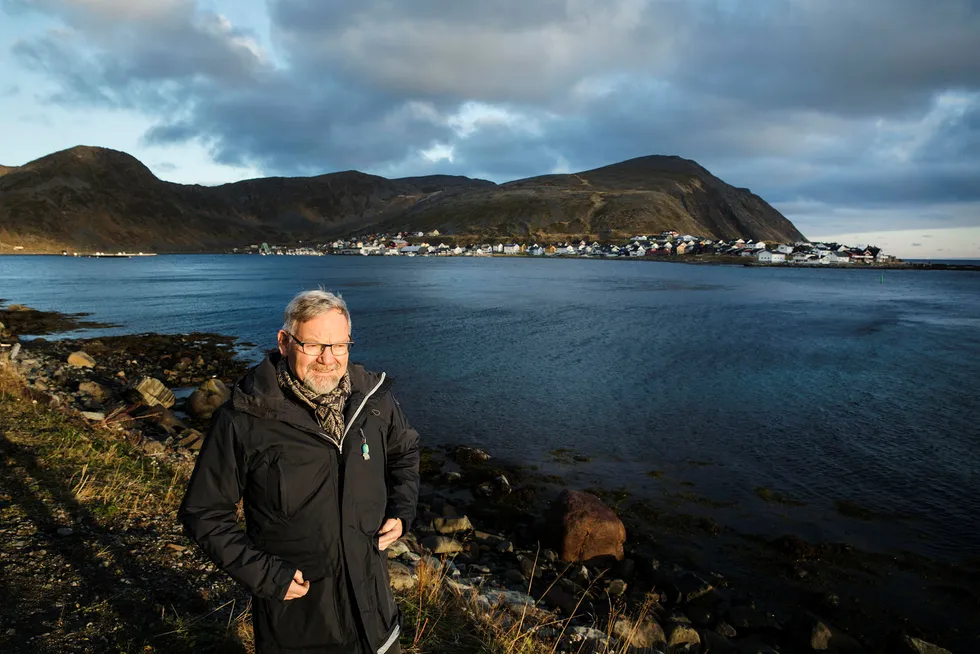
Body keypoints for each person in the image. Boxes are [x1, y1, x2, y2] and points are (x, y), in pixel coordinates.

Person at [179, 290, 419, 654]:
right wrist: (264, 574)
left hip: (375, 615)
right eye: (314, 345)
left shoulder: (374, 401)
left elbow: (405, 452)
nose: (328, 359)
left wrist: (401, 512)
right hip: (299, 624)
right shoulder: (244, 418)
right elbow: (204, 514)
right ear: (284, 341)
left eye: (339, 345)